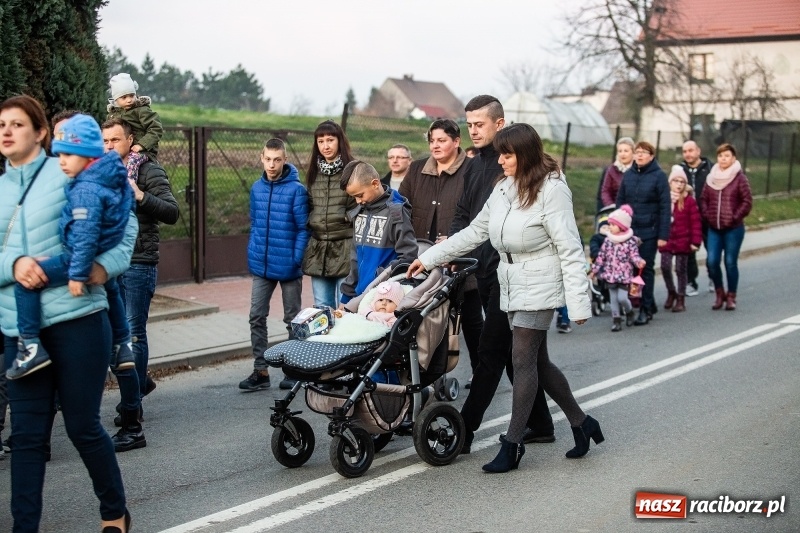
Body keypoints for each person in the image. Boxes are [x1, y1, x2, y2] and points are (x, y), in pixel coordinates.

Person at [408, 123, 602, 473]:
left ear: (524, 154)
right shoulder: (504, 187)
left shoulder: (552, 190)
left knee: (522, 359)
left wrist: (578, 303)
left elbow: (571, 247)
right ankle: (582, 423)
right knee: (539, 363)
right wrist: (430, 257)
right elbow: (475, 232)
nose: (500, 161)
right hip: (510, 281)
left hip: (540, 283)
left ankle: (511, 445)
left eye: (507, 154)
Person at [0, 95, 137, 533]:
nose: (6, 132)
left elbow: (125, 224)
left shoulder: (66, 171)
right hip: (20, 334)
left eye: (17, 124)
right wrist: (14, 265)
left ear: (41, 133)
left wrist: (104, 266)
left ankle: (113, 512)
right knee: (25, 438)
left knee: (82, 426)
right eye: (1, 124)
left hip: (77, 319)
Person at [450, 95, 554, 451]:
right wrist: (450, 250)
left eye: (479, 124)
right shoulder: (475, 165)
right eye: (469, 124)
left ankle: (463, 431)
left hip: (512, 275)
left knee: (491, 352)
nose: (473, 131)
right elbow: (465, 215)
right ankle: (544, 423)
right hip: (483, 271)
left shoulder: (509, 167)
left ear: (500, 123)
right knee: (523, 358)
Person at [7, 114, 134, 381]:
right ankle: (123, 345)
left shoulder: (85, 188)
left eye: (68, 155)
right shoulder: (108, 173)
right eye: (60, 155)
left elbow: (86, 234)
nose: (62, 162)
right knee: (112, 289)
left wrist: (78, 272)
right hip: (96, 248)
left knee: (27, 282)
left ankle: (29, 345)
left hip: (79, 256)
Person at [102, 117, 179, 451]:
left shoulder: (148, 170)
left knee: (133, 333)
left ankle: (133, 406)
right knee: (111, 336)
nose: (109, 147)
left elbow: (172, 212)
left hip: (138, 262)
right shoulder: (100, 172)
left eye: (115, 140)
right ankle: (138, 384)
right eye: (104, 141)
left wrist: (141, 196)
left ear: (130, 139)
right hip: (109, 263)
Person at [398, 119, 482, 385]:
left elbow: (480, 213)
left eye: (441, 140)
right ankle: (425, 374)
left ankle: (482, 372)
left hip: (460, 259)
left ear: (456, 142)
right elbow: (402, 210)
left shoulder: (472, 170)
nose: (435, 145)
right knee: (426, 318)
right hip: (422, 258)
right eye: (432, 140)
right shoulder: (416, 169)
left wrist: (456, 241)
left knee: (469, 319)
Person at [239, 138, 310, 392]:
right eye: (268, 159)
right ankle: (260, 371)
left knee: (292, 319)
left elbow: (304, 229)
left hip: (289, 267)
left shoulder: (297, 190)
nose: (272, 164)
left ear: (284, 160)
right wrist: (253, 250)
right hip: (262, 265)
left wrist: (296, 259)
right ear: (261, 158)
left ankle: (292, 370)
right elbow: (255, 222)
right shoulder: (257, 188)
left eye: (277, 159)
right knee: (256, 316)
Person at [339, 161, 417, 303]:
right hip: (358, 295)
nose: (357, 201)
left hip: (383, 298)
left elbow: (408, 256)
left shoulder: (396, 212)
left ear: (375, 184)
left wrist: (382, 281)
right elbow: (355, 259)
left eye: (360, 195)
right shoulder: (360, 212)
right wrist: (346, 296)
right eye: (354, 197)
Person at [302, 120, 356, 309]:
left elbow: (362, 205)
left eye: (330, 140)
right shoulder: (313, 174)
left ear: (339, 141)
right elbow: (308, 206)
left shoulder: (353, 170)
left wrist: (344, 218)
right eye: (321, 141)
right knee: (322, 309)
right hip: (318, 250)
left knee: (345, 308)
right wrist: (312, 220)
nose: (325, 145)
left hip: (345, 249)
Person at [616, 141, 671, 325]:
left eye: (644, 152)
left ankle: (645, 310)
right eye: (637, 152)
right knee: (631, 269)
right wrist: (619, 227)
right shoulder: (628, 175)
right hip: (630, 232)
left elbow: (665, 207)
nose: (639, 155)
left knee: (644, 269)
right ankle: (649, 302)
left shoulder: (659, 176)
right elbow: (620, 202)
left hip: (650, 230)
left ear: (651, 156)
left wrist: (663, 235)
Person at [701, 143, 752, 311]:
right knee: (712, 261)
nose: (723, 159)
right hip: (714, 228)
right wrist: (708, 216)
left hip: (733, 229)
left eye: (727, 156)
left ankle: (731, 296)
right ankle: (719, 293)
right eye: (721, 156)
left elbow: (747, 201)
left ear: (733, 158)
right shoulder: (711, 178)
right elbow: (704, 200)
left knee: (730, 262)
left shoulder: (739, 178)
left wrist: (734, 217)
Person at [590, 205, 645, 331]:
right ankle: (616, 320)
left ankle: (629, 311)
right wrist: (594, 270)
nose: (610, 227)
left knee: (622, 298)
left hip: (624, 275)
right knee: (613, 299)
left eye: (613, 225)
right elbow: (601, 257)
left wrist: (639, 262)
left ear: (622, 226)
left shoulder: (629, 242)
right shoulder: (608, 241)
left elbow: (634, 255)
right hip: (610, 275)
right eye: (609, 225)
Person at [659, 166, 702, 313]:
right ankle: (672, 291)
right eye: (676, 181)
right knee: (664, 266)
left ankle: (681, 298)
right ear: (670, 182)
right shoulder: (664, 200)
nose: (678, 184)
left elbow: (696, 222)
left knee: (680, 269)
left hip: (683, 240)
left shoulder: (689, 201)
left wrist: (695, 241)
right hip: (667, 239)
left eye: (682, 182)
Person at [107, 73, 163, 182]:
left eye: (132, 95)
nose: (129, 100)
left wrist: (142, 145)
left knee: (131, 161)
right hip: (121, 149)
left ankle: (129, 187)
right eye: (124, 97)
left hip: (142, 151)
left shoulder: (141, 110)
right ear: (116, 99)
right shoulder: (112, 115)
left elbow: (155, 128)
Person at [680, 140, 713, 295]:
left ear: (698, 151)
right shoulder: (680, 170)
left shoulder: (710, 169)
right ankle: (691, 282)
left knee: (711, 249)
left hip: (707, 216)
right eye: (685, 151)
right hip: (688, 218)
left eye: (691, 150)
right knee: (689, 251)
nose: (688, 154)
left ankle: (714, 277)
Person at [600, 137, 635, 208]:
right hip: (615, 209)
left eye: (626, 151)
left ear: (633, 152)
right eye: (620, 151)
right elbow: (605, 191)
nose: (623, 154)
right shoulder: (612, 170)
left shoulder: (639, 169)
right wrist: (611, 205)